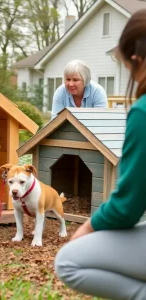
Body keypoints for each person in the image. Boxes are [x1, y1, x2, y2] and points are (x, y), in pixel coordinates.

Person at [54, 9, 146, 300]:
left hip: (94, 135)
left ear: (136, 59)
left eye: (75, 80)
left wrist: (88, 226)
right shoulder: (61, 93)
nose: (70, 84)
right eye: (67, 79)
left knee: (68, 261)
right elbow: (59, 120)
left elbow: (127, 206)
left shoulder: (142, 113)